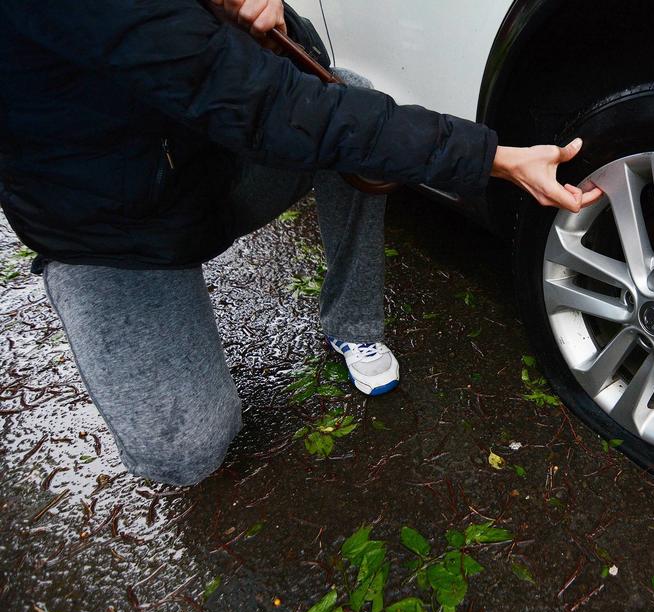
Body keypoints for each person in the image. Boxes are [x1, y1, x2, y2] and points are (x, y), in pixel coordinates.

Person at [0, 0, 601, 486]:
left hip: (213, 170)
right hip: (114, 232)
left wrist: (260, 15)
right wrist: (494, 158)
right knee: (185, 454)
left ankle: (352, 323)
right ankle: (88, 288)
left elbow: (286, 80)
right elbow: (272, 106)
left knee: (349, 98)